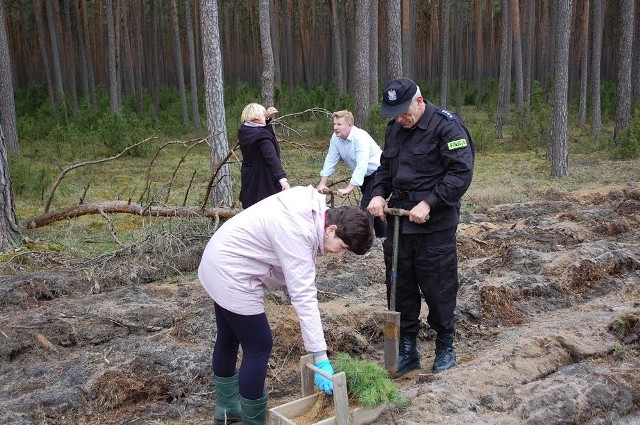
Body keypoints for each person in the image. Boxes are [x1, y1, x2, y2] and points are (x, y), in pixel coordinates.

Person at [198, 185, 374, 424]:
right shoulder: (298, 229)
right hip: (232, 271)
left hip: (219, 257)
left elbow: (279, 251)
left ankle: (227, 411)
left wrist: (289, 287)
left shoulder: (310, 208)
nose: (339, 254)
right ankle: (252, 420)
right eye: (342, 247)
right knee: (259, 345)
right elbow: (305, 296)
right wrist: (319, 355)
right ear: (331, 229)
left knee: (229, 336)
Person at [367, 78, 475, 376]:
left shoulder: (447, 128)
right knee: (399, 289)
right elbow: (385, 169)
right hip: (399, 227)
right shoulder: (394, 129)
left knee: (438, 288)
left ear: (420, 101)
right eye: (394, 114)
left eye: (404, 112)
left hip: (434, 227)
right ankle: (407, 349)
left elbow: (460, 173)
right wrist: (377, 193)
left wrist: (429, 203)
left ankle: (445, 344)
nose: (400, 119)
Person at [316, 110, 387, 238]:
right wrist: (322, 183)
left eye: (339, 124)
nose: (335, 127)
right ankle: (384, 238)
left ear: (350, 125)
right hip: (365, 176)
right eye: (334, 124)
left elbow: (362, 165)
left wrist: (349, 188)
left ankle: (363, 241)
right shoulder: (335, 138)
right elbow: (331, 159)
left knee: (366, 209)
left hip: (378, 173)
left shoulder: (360, 137)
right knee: (374, 209)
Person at [238, 103, 290, 209]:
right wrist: (282, 178)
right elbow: (272, 157)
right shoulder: (262, 135)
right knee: (267, 212)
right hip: (264, 181)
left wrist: (266, 120)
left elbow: (264, 132)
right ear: (258, 115)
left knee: (251, 211)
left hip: (250, 179)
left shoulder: (243, 131)